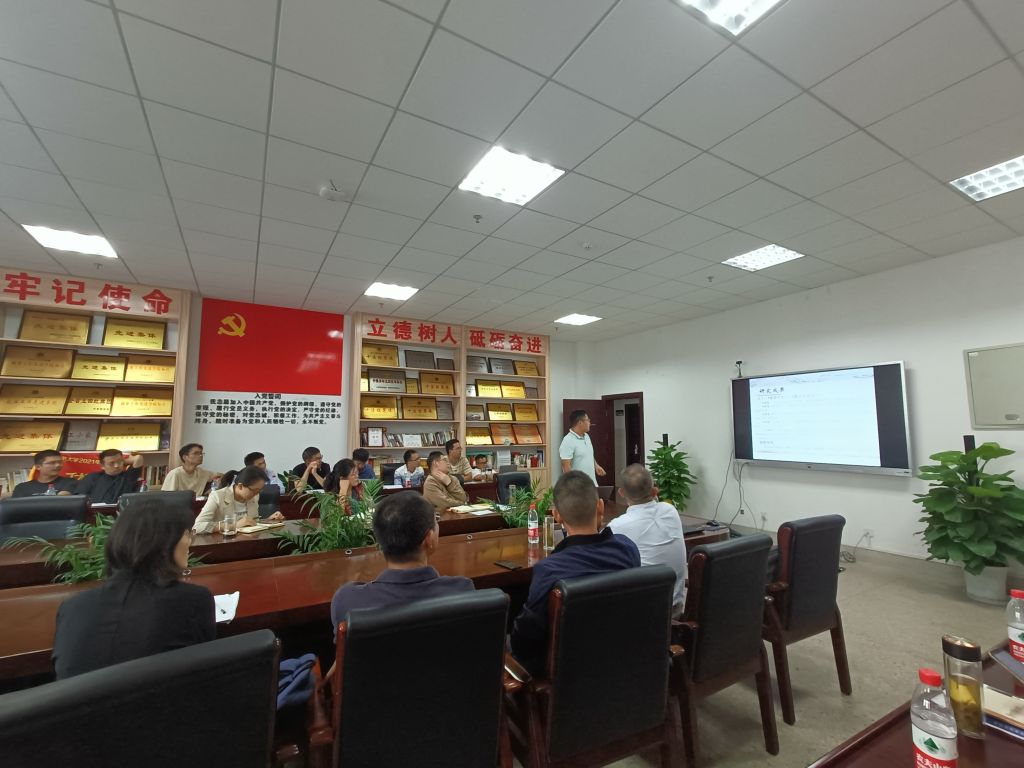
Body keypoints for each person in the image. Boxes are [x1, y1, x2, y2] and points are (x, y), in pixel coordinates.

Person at [51, 496, 216, 679]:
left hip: (79, 699)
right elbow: (205, 673)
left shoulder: (71, 607)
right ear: (165, 542)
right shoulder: (193, 600)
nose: (190, 541)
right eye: (187, 533)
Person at [510, 470, 640, 676]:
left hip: (567, 673)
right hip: (622, 660)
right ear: (600, 506)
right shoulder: (628, 550)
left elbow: (525, 642)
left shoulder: (549, 569)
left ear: (557, 516)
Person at [330, 491, 473, 632]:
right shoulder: (461, 590)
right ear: (429, 539)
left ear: (379, 540)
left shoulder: (347, 600)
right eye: (436, 520)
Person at [607, 464, 687, 616]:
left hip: (645, 616)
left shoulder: (617, 526)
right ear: (654, 490)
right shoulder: (670, 511)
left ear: (621, 493)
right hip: (675, 608)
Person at [193, 466, 280, 534]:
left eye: (259, 490)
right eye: (254, 490)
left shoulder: (254, 496)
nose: (257, 494)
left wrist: (268, 520)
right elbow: (198, 526)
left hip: (249, 541)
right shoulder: (217, 496)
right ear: (240, 486)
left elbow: (252, 522)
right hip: (224, 542)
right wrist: (233, 526)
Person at [75, 449, 146, 504]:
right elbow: (80, 499)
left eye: (119, 462)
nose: (116, 466)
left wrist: (122, 462)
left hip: (122, 513)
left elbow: (138, 458)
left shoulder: (129, 476)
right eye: (111, 463)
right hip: (96, 515)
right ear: (102, 466)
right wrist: (119, 462)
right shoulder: (92, 477)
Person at [559, 410, 606, 484]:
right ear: (580, 422)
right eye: (588, 420)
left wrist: (596, 466)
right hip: (579, 486)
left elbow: (588, 454)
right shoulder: (568, 440)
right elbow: (566, 466)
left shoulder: (587, 436)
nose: (590, 423)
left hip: (592, 483)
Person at [11, 450, 78, 497]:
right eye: (52, 463)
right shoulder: (22, 488)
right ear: (38, 467)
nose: (58, 465)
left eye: (60, 462)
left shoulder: (71, 483)